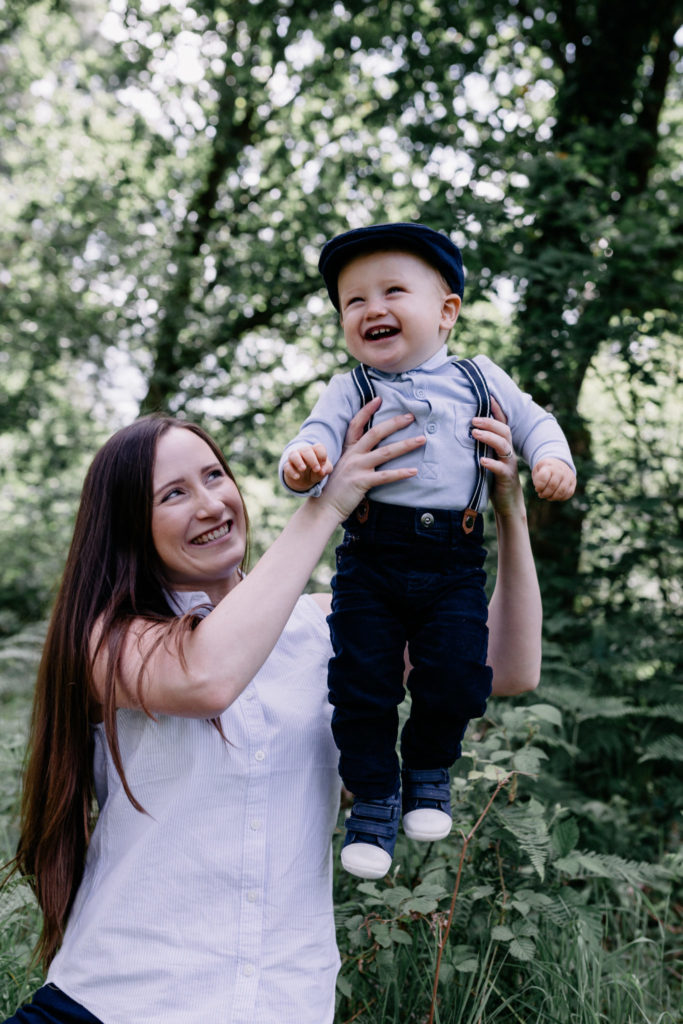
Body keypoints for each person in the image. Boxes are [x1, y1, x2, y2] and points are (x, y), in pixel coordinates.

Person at [3, 397, 539, 1024]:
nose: (209, 504)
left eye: (213, 476)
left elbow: (507, 667)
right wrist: (327, 506)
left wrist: (508, 510)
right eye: (172, 494)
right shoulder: (109, 640)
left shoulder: (323, 625)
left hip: (281, 1002)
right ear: (128, 526)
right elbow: (208, 678)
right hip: (117, 1001)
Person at [279, 222, 576, 881]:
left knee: (456, 672)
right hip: (369, 560)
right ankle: (373, 799)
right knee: (359, 684)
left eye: (391, 291)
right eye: (353, 301)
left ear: (445, 313)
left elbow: (535, 423)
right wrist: (303, 465)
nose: (371, 309)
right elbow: (314, 440)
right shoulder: (350, 388)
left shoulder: (479, 378)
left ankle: (427, 767)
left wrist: (550, 460)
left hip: (453, 562)